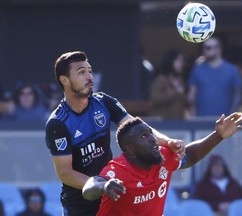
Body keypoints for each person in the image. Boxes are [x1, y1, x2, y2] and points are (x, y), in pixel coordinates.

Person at [45, 51, 184, 216]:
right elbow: (65, 173)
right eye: (81, 72)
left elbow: (136, 125)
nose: (89, 76)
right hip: (80, 205)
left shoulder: (104, 102)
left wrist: (168, 142)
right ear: (64, 80)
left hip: (110, 194)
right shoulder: (58, 123)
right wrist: (100, 185)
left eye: (90, 71)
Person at [82, 113, 242, 216]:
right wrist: (103, 187)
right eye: (143, 137)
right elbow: (89, 188)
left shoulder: (163, 156)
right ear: (130, 150)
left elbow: (190, 155)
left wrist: (218, 136)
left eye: (150, 133)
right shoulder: (118, 170)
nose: (152, 138)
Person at [188, 37, 242, 117]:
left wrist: (231, 116)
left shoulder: (232, 70)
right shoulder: (197, 70)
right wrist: (193, 117)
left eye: (208, 48)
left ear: (218, 49)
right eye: (203, 47)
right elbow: (191, 96)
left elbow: (237, 95)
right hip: (201, 120)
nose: (204, 50)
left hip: (224, 121)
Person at [150, 49, 189, 119]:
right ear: (170, 62)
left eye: (182, 61)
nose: (182, 64)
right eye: (179, 61)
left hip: (178, 123)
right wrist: (176, 92)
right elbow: (155, 99)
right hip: (163, 124)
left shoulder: (180, 80)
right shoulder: (161, 79)